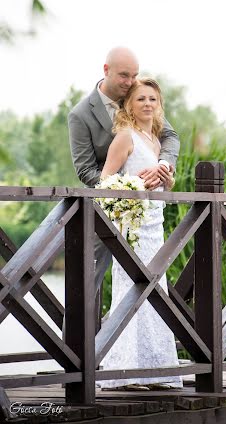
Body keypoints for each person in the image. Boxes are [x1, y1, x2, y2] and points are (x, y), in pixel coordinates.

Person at [68, 47, 180, 292]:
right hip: (106, 213)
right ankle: (77, 332)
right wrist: (126, 192)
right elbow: (86, 170)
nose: (131, 82)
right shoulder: (80, 115)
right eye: (124, 75)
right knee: (87, 285)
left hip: (148, 216)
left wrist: (162, 166)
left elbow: (169, 136)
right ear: (106, 70)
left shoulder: (140, 97)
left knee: (146, 283)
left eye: (134, 75)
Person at [99, 78, 183, 391]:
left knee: (156, 292)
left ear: (158, 105)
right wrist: (135, 184)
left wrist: (167, 180)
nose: (147, 104)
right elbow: (105, 183)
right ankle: (123, 373)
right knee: (130, 289)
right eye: (140, 99)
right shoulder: (125, 137)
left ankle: (155, 371)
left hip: (155, 226)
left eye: (152, 99)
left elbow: (164, 185)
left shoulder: (156, 141)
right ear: (130, 106)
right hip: (133, 227)